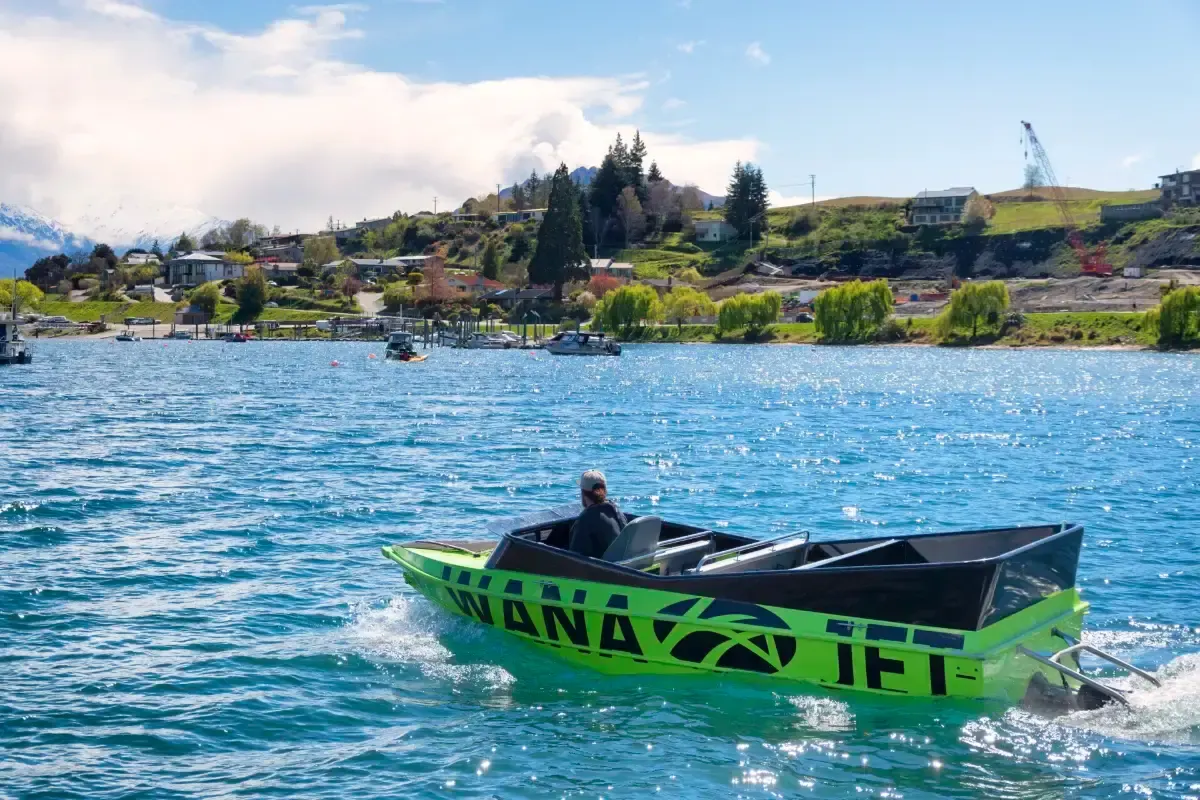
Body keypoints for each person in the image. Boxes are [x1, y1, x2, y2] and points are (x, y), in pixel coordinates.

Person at [568, 470, 628, 559]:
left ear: (583, 493)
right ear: (605, 490)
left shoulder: (585, 519)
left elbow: (574, 556)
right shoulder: (616, 510)